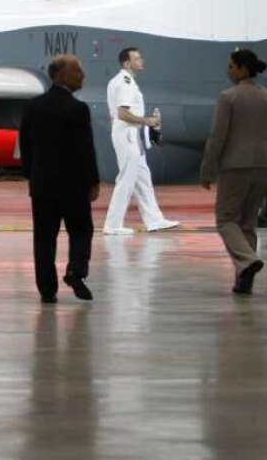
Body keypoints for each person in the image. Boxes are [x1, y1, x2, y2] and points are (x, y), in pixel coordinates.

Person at [199, 49, 267, 294]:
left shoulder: (228, 97)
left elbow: (217, 137)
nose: (228, 71)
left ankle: (247, 260)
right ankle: (243, 280)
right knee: (248, 223)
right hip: (263, 165)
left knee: (226, 219)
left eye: (231, 66)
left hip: (235, 166)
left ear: (242, 69)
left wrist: (207, 169)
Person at [19, 55, 100, 303]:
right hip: (73, 186)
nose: (83, 75)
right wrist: (93, 181)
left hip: (42, 185)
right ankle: (76, 271)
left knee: (43, 238)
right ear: (61, 75)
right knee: (81, 230)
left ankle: (47, 289)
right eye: (77, 71)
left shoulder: (33, 106)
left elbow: (25, 145)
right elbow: (85, 149)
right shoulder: (78, 109)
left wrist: (31, 174)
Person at [102, 48, 179, 234]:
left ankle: (154, 220)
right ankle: (112, 225)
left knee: (143, 178)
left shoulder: (123, 81)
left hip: (130, 134)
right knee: (126, 178)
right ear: (127, 63)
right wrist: (148, 121)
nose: (141, 60)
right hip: (127, 134)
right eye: (137, 58)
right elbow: (123, 113)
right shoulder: (125, 82)